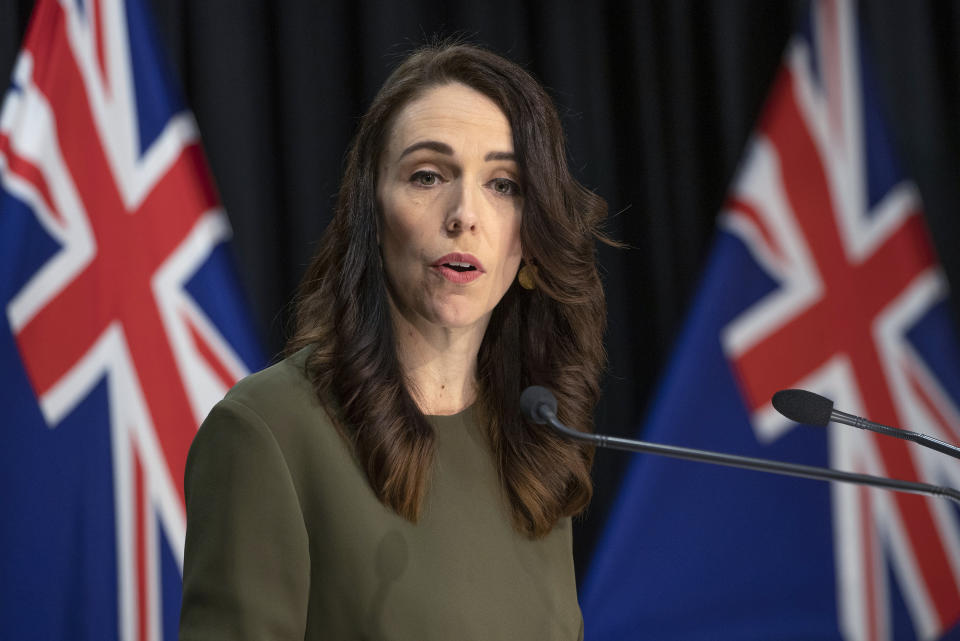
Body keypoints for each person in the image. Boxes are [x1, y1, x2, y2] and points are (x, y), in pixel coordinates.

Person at [178, 41, 609, 640]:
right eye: (428, 176)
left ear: (533, 235)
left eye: (504, 184)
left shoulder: (533, 440)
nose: (465, 214)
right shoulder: (268, 433)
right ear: (371, 214)